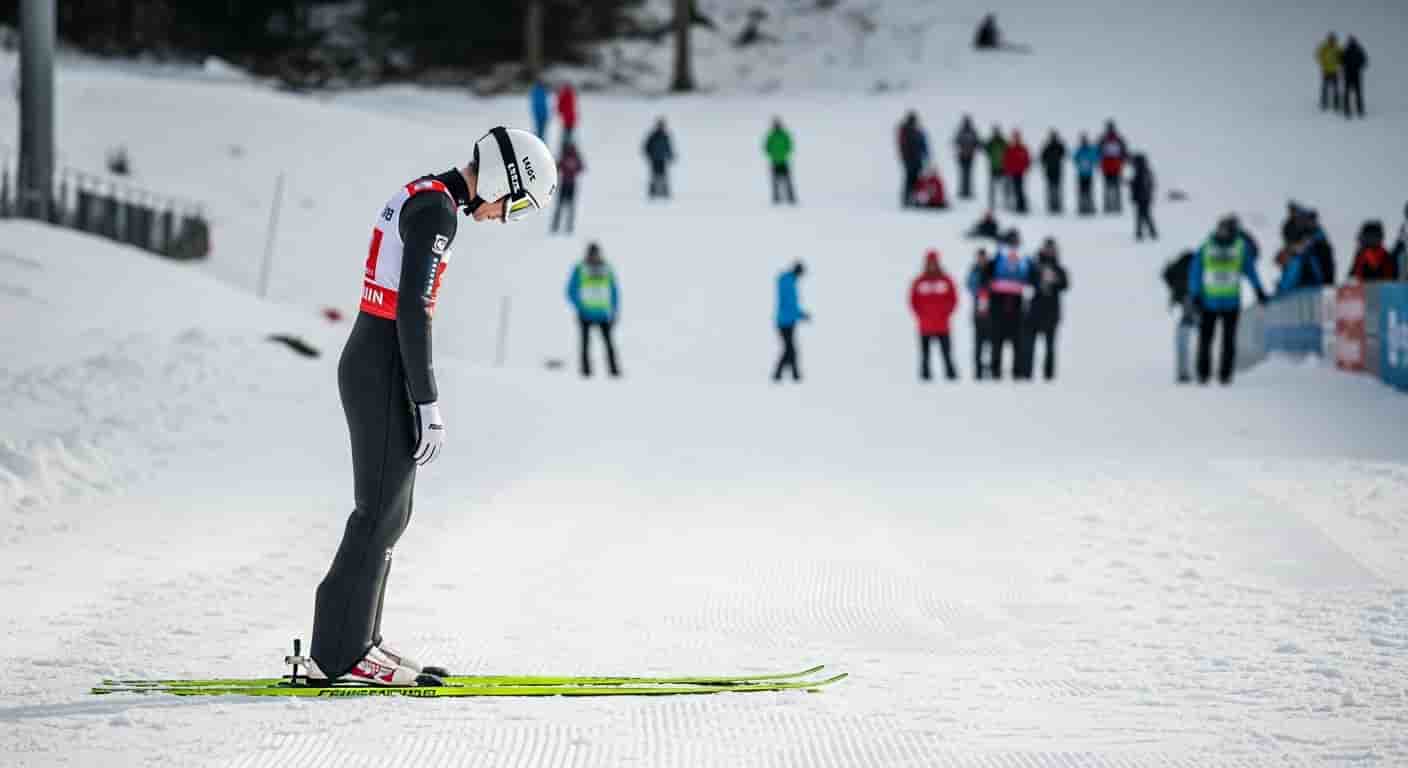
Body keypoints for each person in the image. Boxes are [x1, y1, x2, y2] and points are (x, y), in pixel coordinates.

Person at [310, 127, 558, 686]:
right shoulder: (436, 210)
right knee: (376, 512)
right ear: (503, 178)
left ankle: (359, 643)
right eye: (514, 205)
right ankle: (337, 655)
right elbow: (412, 312)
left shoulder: (433, 199)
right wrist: (428, 401)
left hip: (381, 363)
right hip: (380, 366)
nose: (503, 217)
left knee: (391, 512)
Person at [1187, 216, 1268, 385]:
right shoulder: (1207, 247)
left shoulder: (1240, 248)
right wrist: (1195, 294)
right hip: (1209, 302)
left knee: (1227, 340)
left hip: (1230, 303)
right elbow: (1195, 271)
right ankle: (1204, 374)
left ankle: (1224, 375)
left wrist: (1259, 290)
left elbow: (1250, 271)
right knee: (1207, 339)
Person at [566, 242, 620, 377]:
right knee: (585, 345)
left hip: (603, 314)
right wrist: (580, 305)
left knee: (609, 345)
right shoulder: (580, 269)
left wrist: (614, 310)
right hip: (585, 313)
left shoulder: (607, 269)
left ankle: (614, 372)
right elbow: (570, 290)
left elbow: (614, 291)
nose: (594, 256)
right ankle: (586, 372)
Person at [984, 229, 1032, 379]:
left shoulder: (1024, 260)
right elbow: (986, 279)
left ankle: (1018, 371)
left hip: (1016, 308)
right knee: (996, 342)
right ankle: (995, 371)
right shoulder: (997, 260)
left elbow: (1030, 280)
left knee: (1018, 342)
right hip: (998, 307)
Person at [909, 249, 959, 380]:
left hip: (943, 325)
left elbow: (954, 299)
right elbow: (913, 301)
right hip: (925, 326)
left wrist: (946, 313)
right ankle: (925, 377)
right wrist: (921, 315)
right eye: (929, 262)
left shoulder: (946, 280)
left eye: (934, 262)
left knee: (947, 354)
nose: (932, 265)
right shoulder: (919, 281)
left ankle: (951, 377)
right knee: (925, 355)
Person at [1026, 238, 1069, 381]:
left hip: (1052, 312)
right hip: (1035, 312)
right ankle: (1028, 374)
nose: (1049, 251)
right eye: (1047, 248)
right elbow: (1027, 281)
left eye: (1052, 249)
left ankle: (1049, 376)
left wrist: (1054, 280)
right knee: (1030, 346)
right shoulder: (1035, 265)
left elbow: (1065, 285)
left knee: (1050, 346)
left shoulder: (1059, 268)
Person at [1162, 250, 1198, 383]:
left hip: (1188, 299)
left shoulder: (1179, 266)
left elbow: (1167, 275)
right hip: (1194, 300)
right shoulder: (1195, 263)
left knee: (1185, 333)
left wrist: (1175, 294)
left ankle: (1184, 371)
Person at [773, 262, 810, 382]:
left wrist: (799, 315)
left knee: (790, 348)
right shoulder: (789, 283)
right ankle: (781, 374)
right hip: (785, 321)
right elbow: (790, 304)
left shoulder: (788, 281)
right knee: (790, 349)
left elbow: (790, 304)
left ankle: (793, 374)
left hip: (787, 320)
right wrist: (801, 315)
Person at [967, 248, 993, 379]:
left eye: (983, 257)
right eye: (979, 257)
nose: (981, 260)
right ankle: (978, 371)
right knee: (978, 344)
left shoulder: (991, 270)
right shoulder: (974, 270)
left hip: (991, 314)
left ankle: (992, 369)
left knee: (991, 344)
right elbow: (970, 285)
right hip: (978, 314)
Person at [551, 142, 584, 235]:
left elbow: (581, 168)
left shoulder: (573, 157)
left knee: (569, 207)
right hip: (565, 184)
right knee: (561, 206)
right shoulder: (566, 156)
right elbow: (558, 167)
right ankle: (556, 226)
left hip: (570, 185)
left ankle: (568, 227)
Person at [898, 112, 929, 208]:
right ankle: (907, 198)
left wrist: (925, 156)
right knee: (909, 179)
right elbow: (903, 146)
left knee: (916, 180)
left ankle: (914, 198)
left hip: (917, 159)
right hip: (910, 159)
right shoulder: (906, 131)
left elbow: (923, 144)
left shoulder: (916, 131)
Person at [764, 118, 796, 205]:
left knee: (787, 181)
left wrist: (784, 154)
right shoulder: (771, 136)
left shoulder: (783, 135)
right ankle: (777, 198)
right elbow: (766, 147)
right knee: (775, 182)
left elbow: (789, 145)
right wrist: (773, 155)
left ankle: (790, 198)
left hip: (783, 161)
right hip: (775, 161)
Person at [1098, 120, 1127, 214]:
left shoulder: (1118, 139)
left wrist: (1123, 161)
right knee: (1108, 187)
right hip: (1108, 167)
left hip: (1115, 167)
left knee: (1115, 187)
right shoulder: (1103, 139)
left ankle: (1115, 206)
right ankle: (1109, 206)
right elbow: (1098, 153)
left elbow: (1124, 152)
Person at [643, 118, 674, 200]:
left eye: (662, 125)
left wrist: (670, 155)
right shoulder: (653, 136)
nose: (661, 127)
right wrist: (650, 155)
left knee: (663, 176)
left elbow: (668, 147)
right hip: (654, 159)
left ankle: (664, 192)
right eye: (660, 125)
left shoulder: (665, 136)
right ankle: (653, 193)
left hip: (662, 159)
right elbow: (646, 147)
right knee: (655, 176)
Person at [1003, 130, 1031, 214]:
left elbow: (1027, 159)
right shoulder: (1010, 148)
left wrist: (1026, 168)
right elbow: (1006, 159)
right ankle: (1015, 205)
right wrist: (1007, 169)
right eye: (1015, 137)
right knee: (1013, 189)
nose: (1016, 139)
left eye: (1017, 137)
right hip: (1012, 172)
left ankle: (1021, 206)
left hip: (1020, 172)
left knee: (1020, 189)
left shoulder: (1022, 148)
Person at [1130, 153, 1157, 241]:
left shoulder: (1142, 171)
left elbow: (1142, 185)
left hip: (1143, 197)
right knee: (1143, 215)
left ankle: (1144, 233)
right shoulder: (1144, 171)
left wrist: (1133, 184)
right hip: (1144, 197)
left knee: (1143, 215)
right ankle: (1144, 232)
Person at [1039, 130, 1066, 214]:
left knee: (1056, 189)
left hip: (1057, 170)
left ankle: (1057, 205)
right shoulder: (1047, 147)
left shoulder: (1059, 146)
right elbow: (1042, 158)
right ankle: (1052, 206)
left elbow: (1064, 154)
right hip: (1050, 171)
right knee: (1051, 189)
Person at [954, 115, 981, 200]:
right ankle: (963, 191)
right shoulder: (962, 132)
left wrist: (974, 148)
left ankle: (967, 191)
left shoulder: (971, 132)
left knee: (968, 174)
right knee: (963, 174)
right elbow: (956, 141)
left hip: (970, 156)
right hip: (963, 156)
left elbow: (977, 142)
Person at [1341, 35, 1367, 118]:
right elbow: (1364, 61)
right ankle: (1358, 110)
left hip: (1350, 74)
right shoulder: (1357, 50)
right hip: (1354, 74)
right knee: (1356, 93)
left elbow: (1341, 61)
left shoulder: (1347, 50)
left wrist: (1346, 66)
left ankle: (1349, 110)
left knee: (1349, 93)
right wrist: (1359, 66)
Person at [1072, 134, 1099, 216]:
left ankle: (1089, 207)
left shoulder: (1090, 150)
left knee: (1089, 191)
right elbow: (1075, 159)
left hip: (1088, 174)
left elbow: (1095, 159)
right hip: (1081, 174)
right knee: (1082, 191)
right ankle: (1082, 207)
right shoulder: (1080, 150)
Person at [1316, 33, 1342, 112]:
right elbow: (1318, 55)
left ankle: (1336, 103)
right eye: (1331, 40)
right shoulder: (1324, 47)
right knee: (1325, 88)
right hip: (1326, 71)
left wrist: (1339, 64)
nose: (1332, 41)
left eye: (1333, 40)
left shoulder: (1337, 48)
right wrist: (1323, 64)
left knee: (1335, 88)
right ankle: (1324, 103)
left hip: (1335, 71)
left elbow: (1341, 57)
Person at [985, 124, 1008, 211]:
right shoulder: (991, 142)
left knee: (1004, 187)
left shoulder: (1003, 142)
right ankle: (992, 203)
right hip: (993, 168)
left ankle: (1006, 202)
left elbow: (1008, 151)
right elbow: (986, 150)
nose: (996, 134)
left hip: (1003, 168)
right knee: (992, 187)